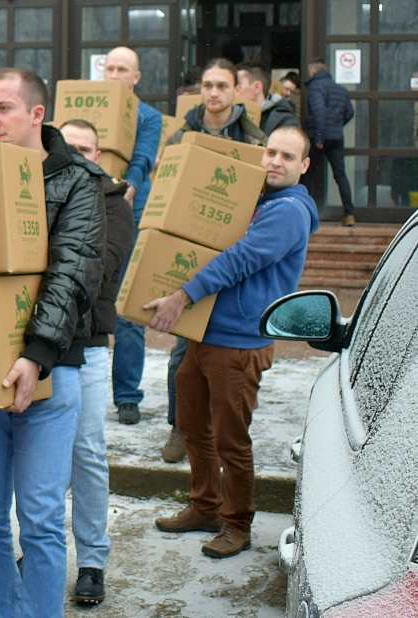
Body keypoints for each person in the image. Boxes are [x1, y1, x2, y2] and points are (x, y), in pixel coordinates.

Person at [0, 67, 105, 618]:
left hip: (52, 369)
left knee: (41, 518)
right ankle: (0, 612)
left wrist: (37, 354)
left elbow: (74, 271)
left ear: (37, 114)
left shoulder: (79, 181)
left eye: (4, 109)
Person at [147, 126, 318, 558]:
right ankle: (204, 506)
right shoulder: (254, 201)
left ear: (304, 165)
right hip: (206, 334)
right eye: (270, 152)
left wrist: (182, 295)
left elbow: (241, 259)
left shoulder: (289, 210)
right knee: (192, 426)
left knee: (231, 438)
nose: (275, 161)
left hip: (241, 341)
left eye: (287, 156)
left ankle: (236, 522)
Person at [159, 57, 267, 465]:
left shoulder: (255, 139)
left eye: (222, 85)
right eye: (208, 85)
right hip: (188, 250)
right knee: (182, 350)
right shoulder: (181, 135)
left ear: (237, 90)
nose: (214, 93)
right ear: (199, 90)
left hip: (234, 254)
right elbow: (163, 185)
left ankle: (227, 437)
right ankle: (179, 428)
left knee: (227, 353)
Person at [58, 119, 133, 605]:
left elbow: (96, 270)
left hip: (85, 347)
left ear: (99, 154)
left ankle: (92, 562)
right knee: (36, 460)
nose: (80, 155)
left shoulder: (114, 206)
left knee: (84, 453)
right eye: (71, 148)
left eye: (87, 148)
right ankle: (40, 548)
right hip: (36, 348)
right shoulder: (41, 193)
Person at [102, 47, 162, 427]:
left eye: (122, 69)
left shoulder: (148, 116)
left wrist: (131, 187)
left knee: (127, 309)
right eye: (109, 68)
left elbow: (142, 156)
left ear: (136, 77)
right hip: (86, 208)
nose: (114, 74)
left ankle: (127, 396)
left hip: (130, 208)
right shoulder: (91, 109)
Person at [302, 58, 356, 226]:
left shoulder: (316, 86)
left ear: (313, 71)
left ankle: (305, 213)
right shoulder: (340, 89)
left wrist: (319, 137)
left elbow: (319, 112)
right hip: (336, 138)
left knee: (307, 173)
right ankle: (349, 214)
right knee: (340, 174)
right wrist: (336, 126)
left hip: (319, 137)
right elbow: (349, 113)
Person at [237, 61, 299, 135]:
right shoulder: (232, 113)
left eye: (238, 84)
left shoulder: (284, 123)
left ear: (257, 87)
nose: (234, 90)